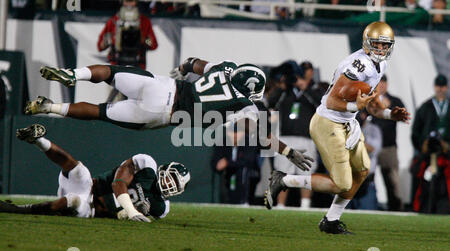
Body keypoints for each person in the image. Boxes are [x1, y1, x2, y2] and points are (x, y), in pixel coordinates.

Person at [26, 59, 314, 172]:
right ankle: (51, 108)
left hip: (163, 85)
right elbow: (264, 138)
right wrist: (288, 151)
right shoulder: (248, 105)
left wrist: (182, 69)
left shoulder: (225, 68)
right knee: (102, 113)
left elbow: (194, 62)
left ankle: (71, 75)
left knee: (110, 72)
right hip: (164, 112)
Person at [265, 21, 411, 234]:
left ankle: (331, 220)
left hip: (347, 121)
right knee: (342, 183)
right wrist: (355, 106)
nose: (381, 49)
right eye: (376, 44)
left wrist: (389, 114)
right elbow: (332, 101)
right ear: (367, 43)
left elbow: (371, 103)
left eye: (384, 45)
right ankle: (284, 179)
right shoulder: (359, 65)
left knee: (362, 170)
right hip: (328, 121)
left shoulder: (380, 65)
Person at [0, 124, 191, 222]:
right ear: (164, 169)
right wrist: (132, 211)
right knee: (81, 171)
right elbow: (118, 184)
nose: (169, 184)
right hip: (89, 187)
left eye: (175, 183)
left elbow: (122, 216)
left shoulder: (161, 208)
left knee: (74, 201)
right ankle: (38, 140)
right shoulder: (146, 165)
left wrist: (129, 214)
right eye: (170, 177)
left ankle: (19, 209)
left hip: (90, 211)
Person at [267, 61, 321, 209]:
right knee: (284, 171)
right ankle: (281, 204)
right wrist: (284, 86)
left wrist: (306, 88)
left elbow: (322, 106)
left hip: (306, 138)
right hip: (286, 137)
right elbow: (271, 103)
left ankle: (305, 204)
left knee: (306, 171)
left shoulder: (315, 90)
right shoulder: (286, 92)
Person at [410, 74, 450, 213]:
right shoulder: (425, 107)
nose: (440, 89)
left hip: (446, 156)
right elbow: (415, 132)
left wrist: (447, 146)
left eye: (443, 86)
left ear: (446, 87)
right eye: (438, 86)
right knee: (422, 181)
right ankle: (422, 208)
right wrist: (422, 145)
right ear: (435, 87)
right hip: (427, 156)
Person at [371, 75, 405, 211]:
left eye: (384, 83)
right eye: (379, 83)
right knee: (367, 179)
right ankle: (368, 206)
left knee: (392, 181)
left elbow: (404, 116)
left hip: (388, 147)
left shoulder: (394, 100)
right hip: (371, 147)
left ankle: (396, 209)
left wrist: (390, 107)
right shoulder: (369, 100)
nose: (382, 86)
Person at [97, 0, 158, 70]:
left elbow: (153, 45)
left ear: (136, 2)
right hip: (117, 64)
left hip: (138, 64)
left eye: (132, 1)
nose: (129, 4)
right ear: (122, 2)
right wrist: (111, 39)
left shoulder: (144, 21)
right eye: (127, 1)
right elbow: (100, 47)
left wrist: (145, 40)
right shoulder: (113, 21)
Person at [211, 126, 261, 205]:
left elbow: (248, 161)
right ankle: (225, 200)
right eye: (232, 132)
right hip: (228, 176)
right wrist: (219, 164)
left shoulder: (249, 142)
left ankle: (244, 201)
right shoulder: (223, 142)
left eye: (238, 133)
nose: (235, 135)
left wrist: (227, 163)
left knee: (243, 170)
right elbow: (215, 161)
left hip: (248, 175)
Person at [348, 110, 382, 210]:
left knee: (368, 214)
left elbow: (373, 149)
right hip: (348, 180)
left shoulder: (373, 129)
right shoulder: (346, 127)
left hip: (366, 181)